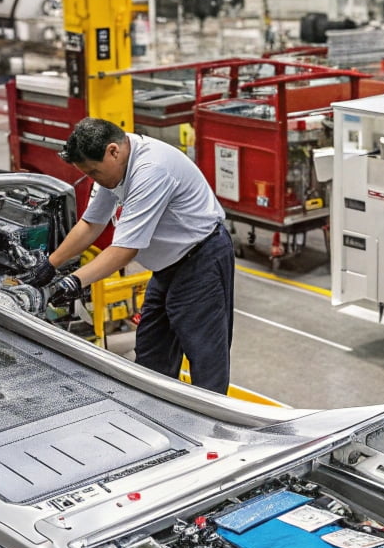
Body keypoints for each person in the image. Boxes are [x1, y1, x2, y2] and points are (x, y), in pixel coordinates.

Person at [23, 118, 234, 394]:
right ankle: (159, 422)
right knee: (151, 354)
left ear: (113, 151)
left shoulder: (151, 170)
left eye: (95, 172)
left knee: (205, 358)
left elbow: (124, 250)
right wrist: (50, 264)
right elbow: (91, 224)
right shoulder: (114, 167)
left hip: (201, 260)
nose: (94, 179)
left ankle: (212, 429)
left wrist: (75, 282)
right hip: (168, 266)